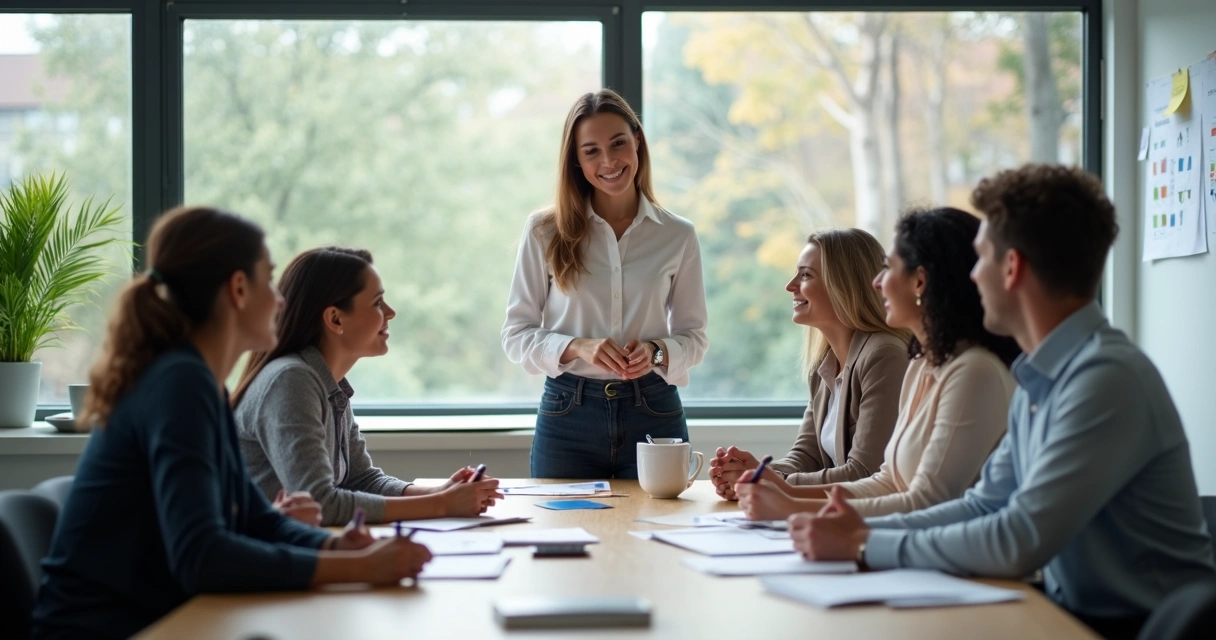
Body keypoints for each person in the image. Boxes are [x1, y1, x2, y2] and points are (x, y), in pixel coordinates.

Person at [786, 165, 1216, 640]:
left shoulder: (1105, 380)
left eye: (981, 258)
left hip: (1133, 628)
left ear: (1012, 268)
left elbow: (1019, 538)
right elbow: (982, 504)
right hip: (1071, 614)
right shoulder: (1042, 376)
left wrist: (865, 542)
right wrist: (857, 530)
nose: (970, 276)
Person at [32, 207, 432, 640]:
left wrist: (335, 545)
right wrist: (357, 566)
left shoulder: (201, 384)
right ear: (239, 289)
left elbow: (258, 520)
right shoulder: (179, 384)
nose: (280, 301)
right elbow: (202, 556)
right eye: (269, 279)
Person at [736, 207, 1020, 520]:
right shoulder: (920, 364)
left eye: (888, 269)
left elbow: (927, 501)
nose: (877, 283)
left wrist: (792, 503)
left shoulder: (974, 372)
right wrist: (785, 493)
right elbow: (887, 481)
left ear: (919, 282)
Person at [501, 89, 708, 479]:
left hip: (654, 412)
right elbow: (516, 334)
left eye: (618, 144)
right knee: (562, 538)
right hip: (567, 414)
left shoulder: (677, 235)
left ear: (638, 142)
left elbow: (694, 337)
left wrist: (656, 351)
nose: (609, 161)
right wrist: (577, 346)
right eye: (591, 151)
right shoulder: (544, 231)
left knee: (655, 535)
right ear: (576, 161)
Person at [232, 247, 502, 526]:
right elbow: (319, 503)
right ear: (335, 319)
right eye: (377, 303)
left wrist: (440, 492)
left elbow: (361, 480)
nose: (391, 312)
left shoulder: (327, 383)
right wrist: (442, 505)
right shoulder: (290, 381)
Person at [709, 229, 909, 500]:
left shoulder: (884, 356)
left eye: (805, 275)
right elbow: (806, 456)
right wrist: (751, 475)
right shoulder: (823, 366)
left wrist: (772, 481)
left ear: (845, 285)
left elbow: (865, 473)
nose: (790, 285)